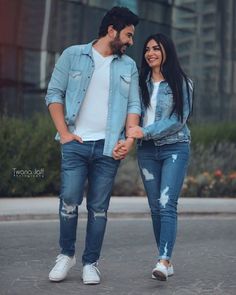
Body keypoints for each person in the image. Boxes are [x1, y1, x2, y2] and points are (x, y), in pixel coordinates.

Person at [45, 6, 140, 284]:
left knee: (98, 208)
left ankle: (90, 262)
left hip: (109, 147)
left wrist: (129, 139)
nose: (131, 42)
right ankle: (66, 255)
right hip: (76, 142)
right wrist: (64, 133)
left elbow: (133, 104)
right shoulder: (73, 55)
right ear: (112, 31)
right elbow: (54, 93)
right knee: (70, 201)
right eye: (128, 35)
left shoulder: (128, 66)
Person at [127, 33, 193, 281]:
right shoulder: (140, 83)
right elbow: (132, 113)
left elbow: (178, 120)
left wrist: (145, 131)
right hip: (147, 151)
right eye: (147, 49)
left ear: (167, 52)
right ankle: (166, 259)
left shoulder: (182, 83)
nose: (150, 53)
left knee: (167, 204)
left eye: (156, 48)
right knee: (155, 207)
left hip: (174, 147)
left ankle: (163, 261)